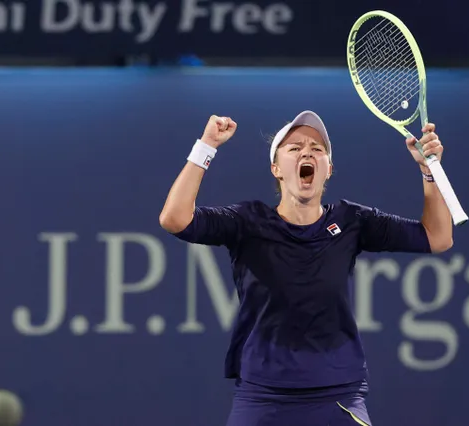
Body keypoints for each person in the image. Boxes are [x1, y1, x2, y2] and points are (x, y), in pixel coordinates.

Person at [159, 110, 454, 426]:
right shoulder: (246, 221)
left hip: (338, 395)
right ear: (276, 168)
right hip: (262, 396)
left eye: (317, 149)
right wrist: (206, 146)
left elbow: (437, 237)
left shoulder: (352, 220)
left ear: (328, 169)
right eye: (294, 147)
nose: (306, 152)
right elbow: (174, 219)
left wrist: (428, 171)